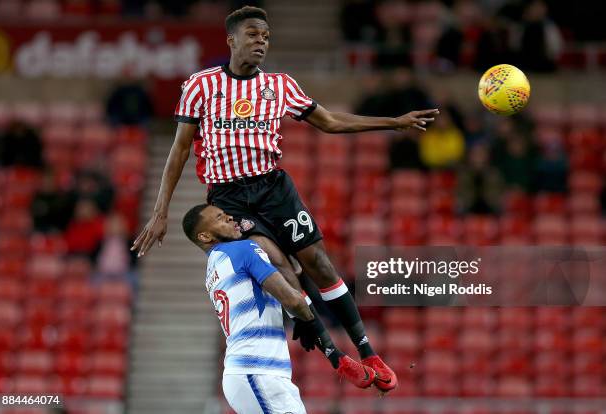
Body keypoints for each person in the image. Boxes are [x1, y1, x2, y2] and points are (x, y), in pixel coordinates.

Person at [132, 5, 439, 392]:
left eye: (266, 36)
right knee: (277, 267)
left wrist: (394, 122)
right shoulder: (201, 85)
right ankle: (335, 356)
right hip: (229, 198)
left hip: (274, 187)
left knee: (319, 264)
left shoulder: (279, 85)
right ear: (231, 40)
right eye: (253, 34)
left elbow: (328, 121)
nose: (261, 41)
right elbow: (178, 151)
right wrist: (160, 213)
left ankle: (368, 352)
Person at [182, 204, 376, 413]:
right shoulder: (243, 249)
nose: (230, 217)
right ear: (204, 237)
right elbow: (293, 299)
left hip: (252, 374)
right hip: (258, 371)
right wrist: (308, 320)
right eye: (220, 218)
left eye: (226, 213)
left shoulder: (213, 269)